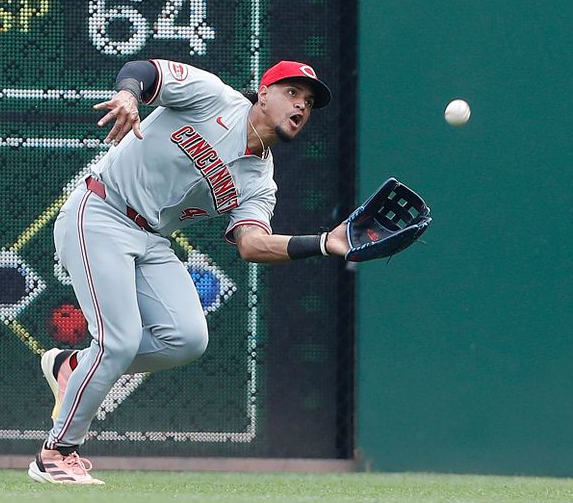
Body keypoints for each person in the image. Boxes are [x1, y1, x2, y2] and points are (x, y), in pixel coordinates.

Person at [27, 59, 350, 485]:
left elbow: (252, 245)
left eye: (308, 102)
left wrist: (325, 242)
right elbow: (143, 70)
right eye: (292, 93)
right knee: (119, 341)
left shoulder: (259, 180)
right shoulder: (212, 96)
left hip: (153, 238)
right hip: (101, 211)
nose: (301, 106)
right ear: (264, 92)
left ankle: (75, 367)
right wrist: (127, 94)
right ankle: (56, 453)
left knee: (186, 339)